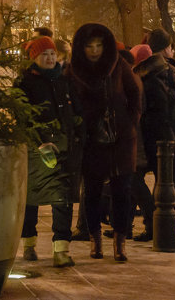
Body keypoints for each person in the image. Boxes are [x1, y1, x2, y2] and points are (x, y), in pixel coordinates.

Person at [67, 23, 142, 262]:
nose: (95, 51)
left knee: (122, 190)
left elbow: (134, 94)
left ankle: (120, 243)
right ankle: (95, 239)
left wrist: (129, 121)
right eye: (89, 46)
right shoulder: (73, 71)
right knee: (93, 191)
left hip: (120, 138)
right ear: (81, 47)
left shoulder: (118, 65)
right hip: (91, 139)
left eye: (99, 45)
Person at [15, 34, 81, 268]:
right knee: (32, 200)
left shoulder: (62, 80)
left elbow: (73, 111)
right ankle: (29, 244)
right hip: (38, 149)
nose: (50, 58)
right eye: (45, 54)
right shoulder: (25, 83)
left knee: (62, 198)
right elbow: (22, 116)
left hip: (63, 147)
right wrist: (39, 142)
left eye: (53, 53)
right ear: (35, 57)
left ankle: (61, 249)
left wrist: (77, 129)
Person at [131, 38, 175, 241]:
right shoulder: (158, 75)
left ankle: (158, 226)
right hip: (161, 137)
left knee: (161, 183)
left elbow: (147, 111)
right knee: (166, 182)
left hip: (156, 139)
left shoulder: (149, 79)